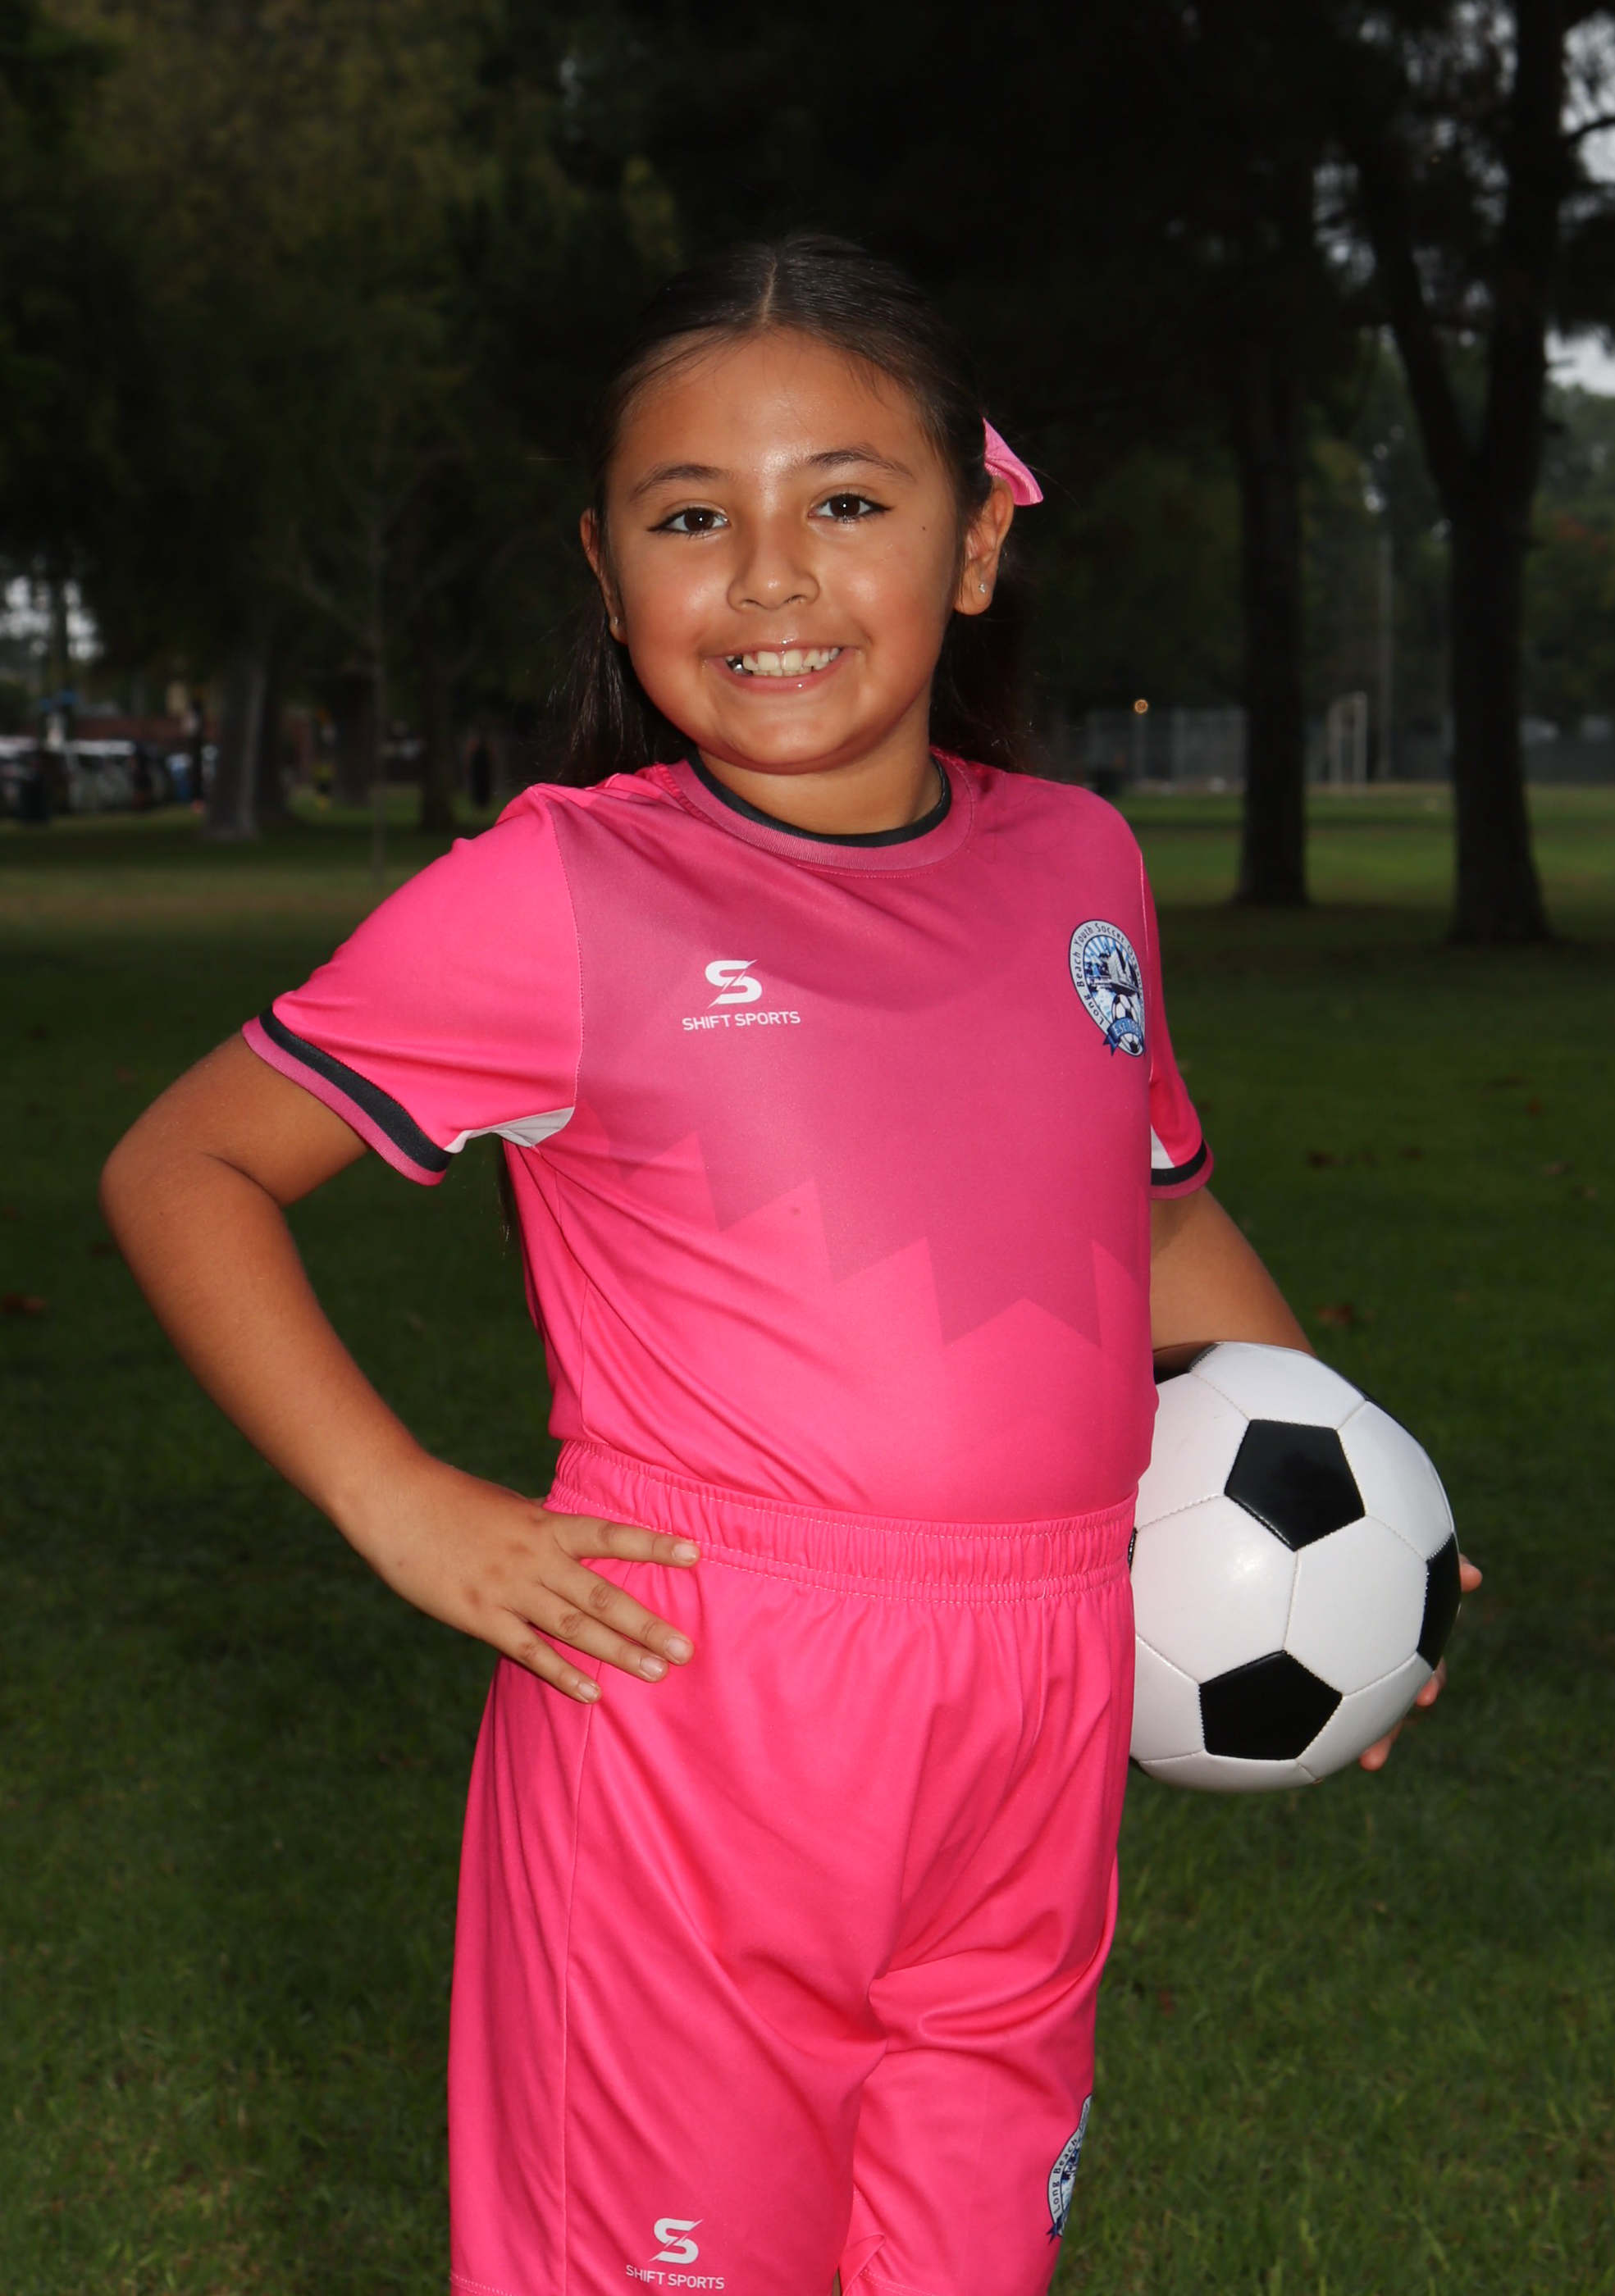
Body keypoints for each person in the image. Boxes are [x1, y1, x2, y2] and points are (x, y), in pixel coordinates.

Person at [102, 237, 1476, 2296]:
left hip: (1032, 1721)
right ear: (606, 567)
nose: (766, 577)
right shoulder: (562, 892)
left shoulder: (1079, 868)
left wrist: (1357, 1537)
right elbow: (186, 1160)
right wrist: (401, 1501)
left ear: (976, 540)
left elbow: (1161, 1215)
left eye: (843, 500)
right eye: (690, 519)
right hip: (702, 1722)